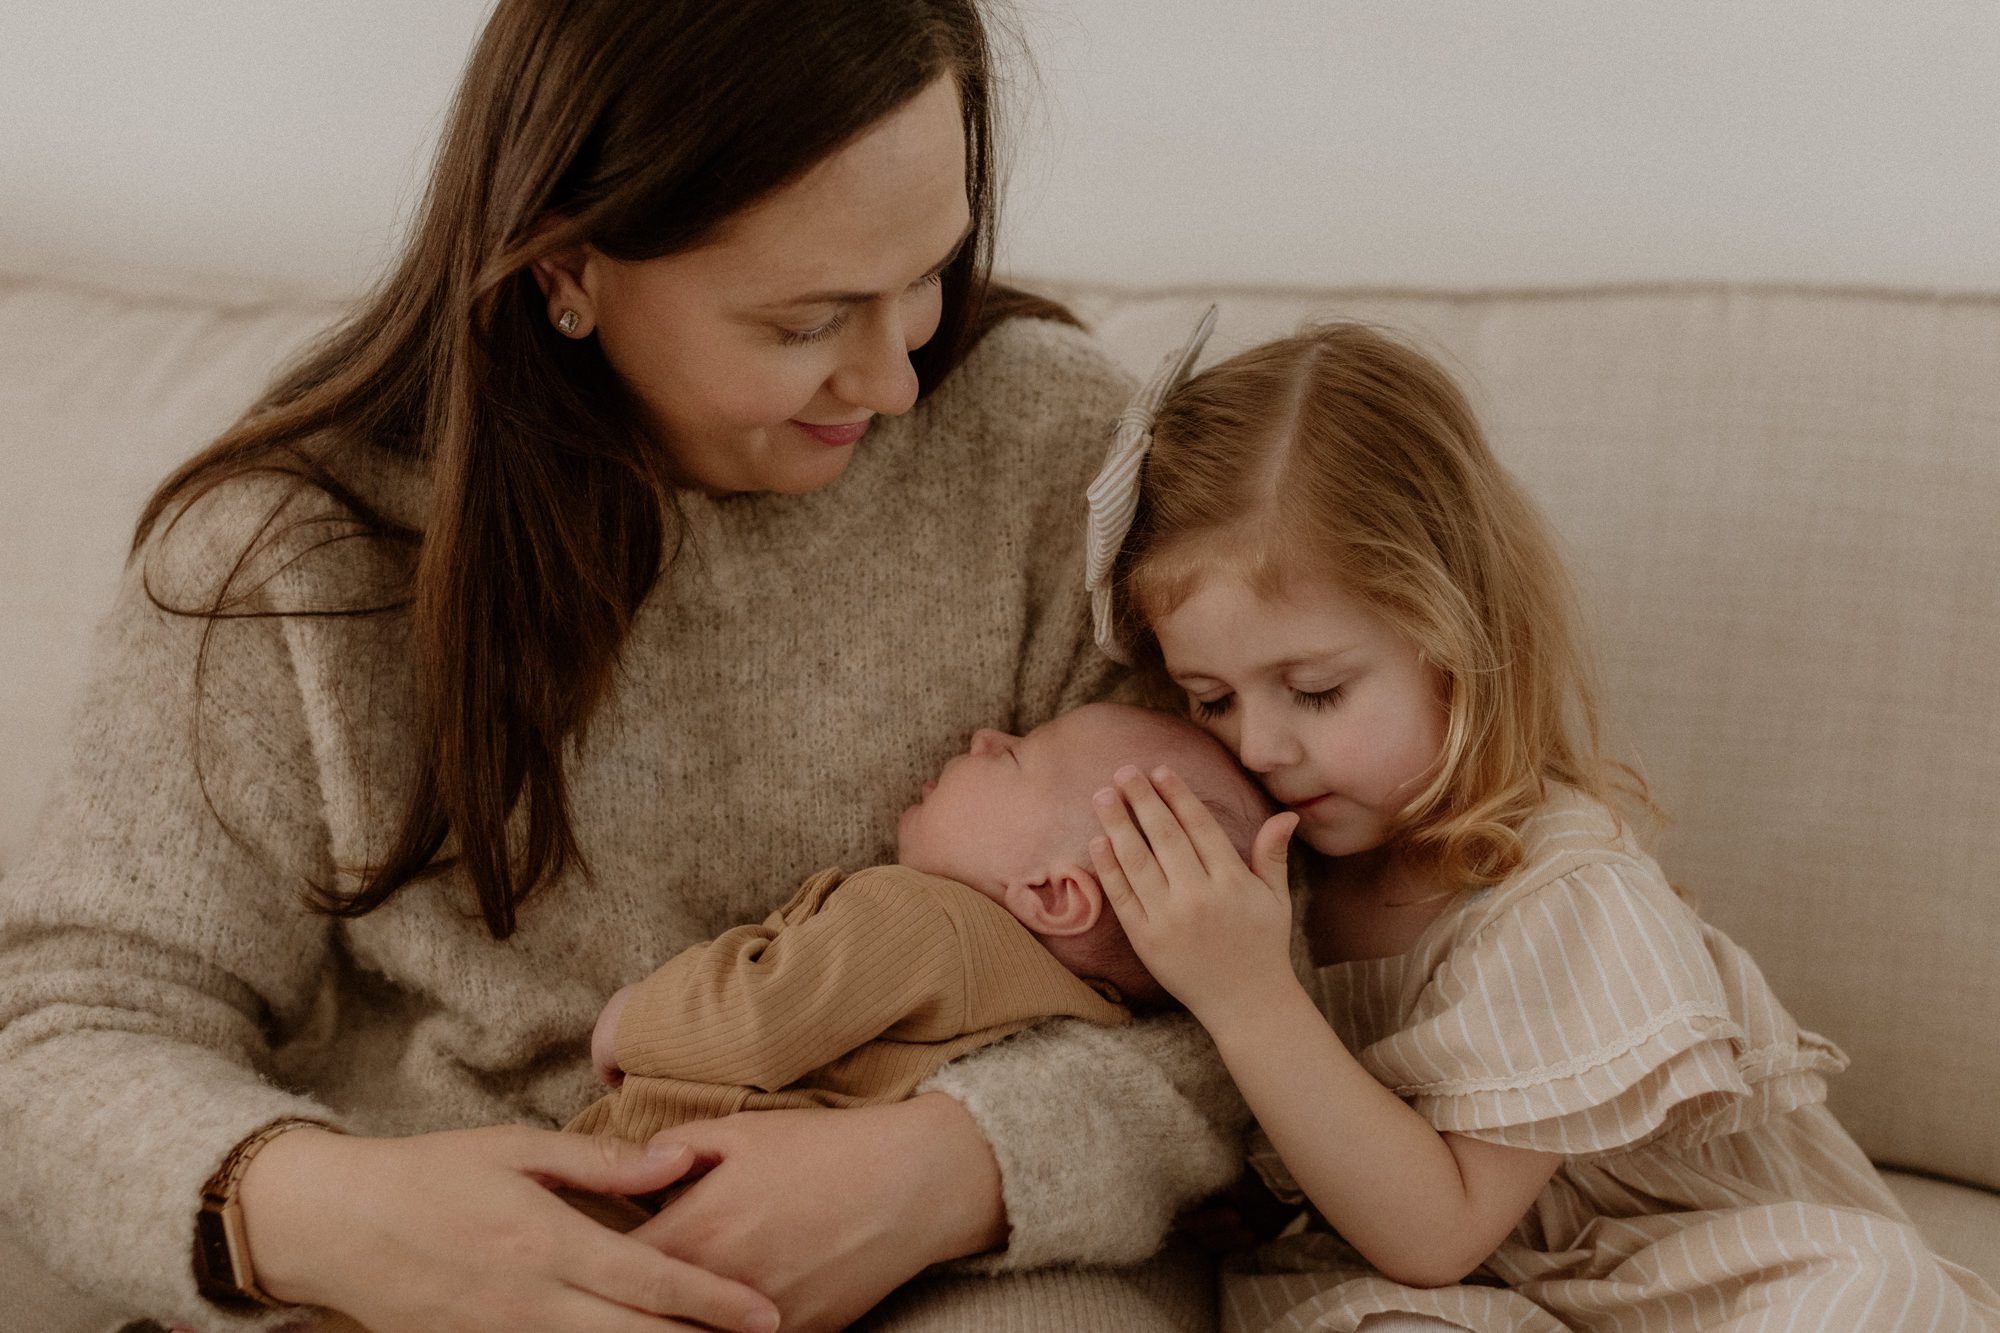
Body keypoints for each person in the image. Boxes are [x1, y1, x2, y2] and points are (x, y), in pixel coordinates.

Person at [0, 4, 1245, 1331]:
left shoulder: (1050, 450)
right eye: (809, 319)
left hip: (963, 1259)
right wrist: (323, 1211)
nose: (893, 379)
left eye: (929, 273)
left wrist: (962, 1164)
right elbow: (74, 1028)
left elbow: (1279, 985)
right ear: (568, 269)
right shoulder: (289, 555)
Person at [1084, 319, 2000, 1330]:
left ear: (1456, 638)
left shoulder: (1556, 893)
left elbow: (1436, 1230)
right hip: (1471, 1299)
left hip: (1688, 1277)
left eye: (1316, 690)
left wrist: (1248, 998)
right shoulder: (1267, 876)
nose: (1259, 745)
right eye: (1211, 699)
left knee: (1874, 1292)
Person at [568, 702, 1270, 1146]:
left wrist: (635, 1016)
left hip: (653, 1168)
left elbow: (751, 1024)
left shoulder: (920, 918)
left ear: (1053, 894)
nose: (985, 736)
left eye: (1015, 754)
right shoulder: (1079, 1013)